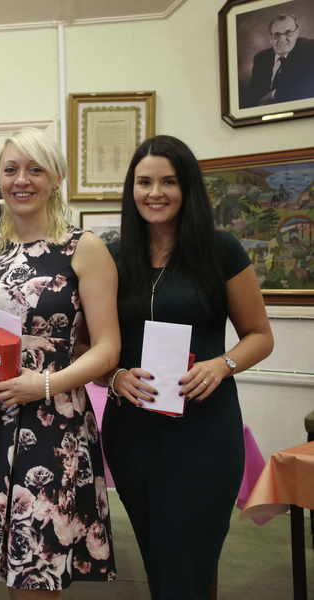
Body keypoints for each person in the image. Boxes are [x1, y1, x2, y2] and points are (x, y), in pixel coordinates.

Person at [0, 128, 121, 597]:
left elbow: (106, 349)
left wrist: (40, 385)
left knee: (38, 568)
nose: (22, 180)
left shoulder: (85, 248)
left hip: (52, 423)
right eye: (13, 169)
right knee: (8, 564)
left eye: (35, 169)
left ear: (56, 177)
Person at [102, 135, 274, 599]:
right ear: (131, 189)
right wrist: (114, 376)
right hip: (133, 432)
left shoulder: (221, 250)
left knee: (192, 557)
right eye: (143, 182)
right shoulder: (113, 257)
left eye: (168, 182)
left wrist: (222, 365)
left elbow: (260, 336)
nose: (154, 193)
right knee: (160, 557)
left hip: (204, 432)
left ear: (187, 189)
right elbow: (92, 345)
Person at [244, 13, 314, 107]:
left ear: (297, 32)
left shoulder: (310, 49)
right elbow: (252, 96)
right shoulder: (261, 58)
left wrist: (274, 95)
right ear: (270, 38)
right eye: (277, 35)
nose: (282, 39)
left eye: (288, 33)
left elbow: (307, 88)